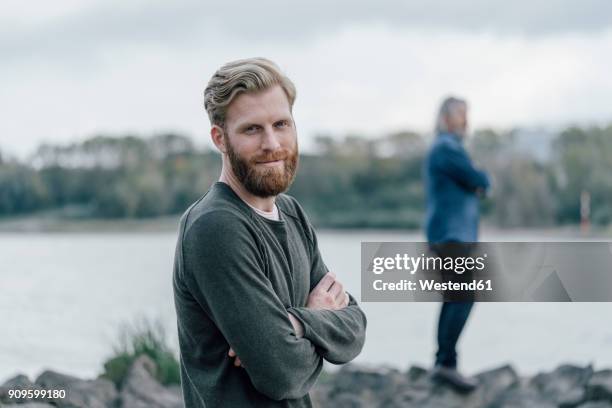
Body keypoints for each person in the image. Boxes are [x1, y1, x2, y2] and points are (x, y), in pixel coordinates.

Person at [173, 58, 367, 407]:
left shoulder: (291, 213)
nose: (272, 143)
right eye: (252, 129)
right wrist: (317, 320)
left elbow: (354, 329)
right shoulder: (215, 227)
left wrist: (295, 324)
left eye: (281, 124)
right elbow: (283, 373)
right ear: (220, 138)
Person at [424, 96, 490, 391]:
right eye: (462, 115)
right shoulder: (447, 148)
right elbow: (479, 179)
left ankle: (444, 363)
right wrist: (479, 178)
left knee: (456, 296)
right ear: (446, 118)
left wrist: (477, 181)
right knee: (464, 296)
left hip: (453, 234)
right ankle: (446, 364)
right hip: (451, 234)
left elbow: (476, 182)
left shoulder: (450, 149)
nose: (467, 121)